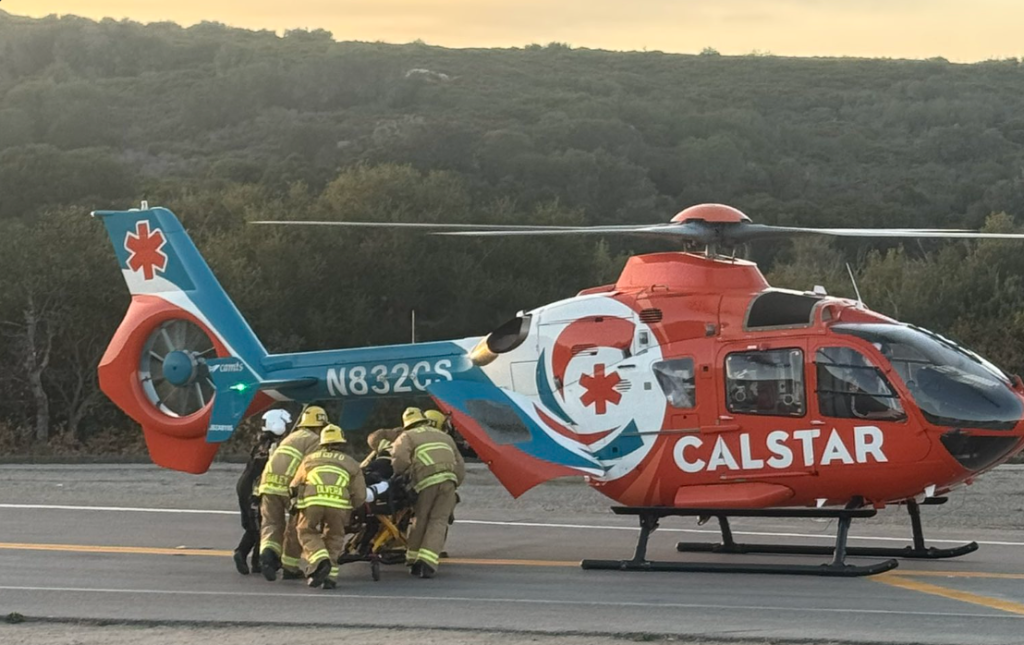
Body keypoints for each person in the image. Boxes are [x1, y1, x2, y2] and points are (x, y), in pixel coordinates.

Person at [391, 406, 465, 578]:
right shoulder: (444, 436)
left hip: (425, 482)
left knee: (420, 518)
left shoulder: (407, 436)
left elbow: (400, 458)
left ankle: (412, 559)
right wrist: (454, 483)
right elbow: (460, 466)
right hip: (449, 481)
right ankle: (427, 562)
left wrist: (400, 475)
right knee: (438, 520)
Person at [290, 424, 366, 589]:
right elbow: (360, 495)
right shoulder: (352, 463)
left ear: (323, 443)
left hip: (312, 503)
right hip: (339, 506)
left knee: (306, 531)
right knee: (335, 537)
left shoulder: (309, 459)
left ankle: (319, 559)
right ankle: (330, 578)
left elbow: (295, 485)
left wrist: (294, 503)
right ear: (341, 443)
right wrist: (352, 509)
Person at [258, 405, 328, 581]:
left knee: (271, 524)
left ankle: (267, 556)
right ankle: (290, 567)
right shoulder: (315, 440)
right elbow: (313, 466)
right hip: (289, 487)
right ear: (320, 426)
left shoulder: (291, 437)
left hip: (267, 484)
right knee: (296, 527)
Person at [233, 409, 291, 575]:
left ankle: (255, 561)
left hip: (246, 485)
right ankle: (242, 553)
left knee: (254, 525)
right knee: (261, 526)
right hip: (255, 488)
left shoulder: (260, 442)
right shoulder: (274, 446)